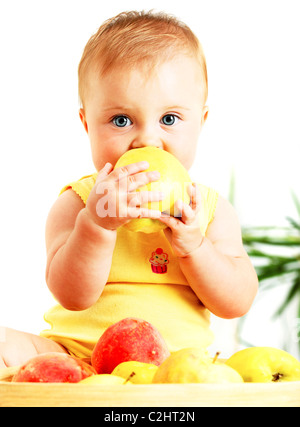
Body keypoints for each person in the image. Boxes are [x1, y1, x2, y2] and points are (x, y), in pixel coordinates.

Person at [0, 10, 258, 368]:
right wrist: (96, 226)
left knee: (222, 374)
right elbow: (72, 296)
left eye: (169, 119)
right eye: (121, 120)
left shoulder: (210, 212)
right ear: (87, 124)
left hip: (173, 367)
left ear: (201, 122)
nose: (148, 139)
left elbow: (237, 301)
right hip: (79, 358)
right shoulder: (77, 203)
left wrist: (195, 246)